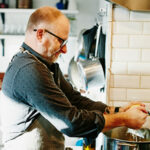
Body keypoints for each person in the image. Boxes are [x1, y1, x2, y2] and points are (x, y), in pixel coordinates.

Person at [0, 6, 148, 150]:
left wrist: (118, 110)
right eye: (61, 41)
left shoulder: (45, 65)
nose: (64, 50)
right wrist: (123, 119)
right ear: (40, 34)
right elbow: (71, 123)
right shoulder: (29, 70)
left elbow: (76, 100)